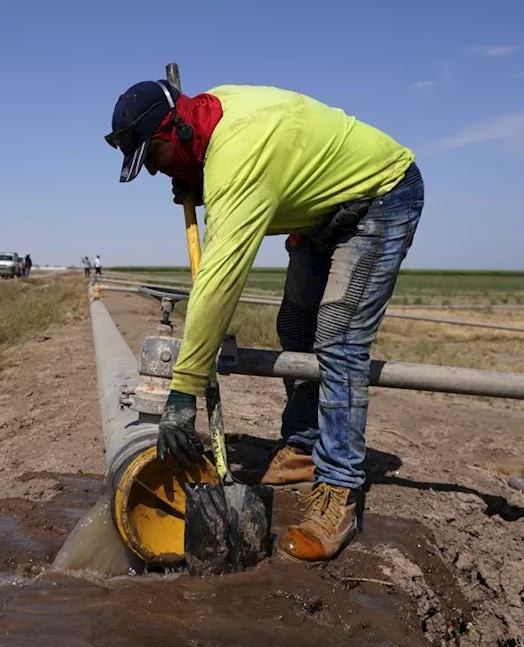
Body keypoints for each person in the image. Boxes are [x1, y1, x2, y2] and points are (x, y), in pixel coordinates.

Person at [106, 79, 423, 562]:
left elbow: (219, 280)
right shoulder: (208, 121)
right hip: (318, 215)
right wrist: (195, 178)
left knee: (338, 338)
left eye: (154, 154)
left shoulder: (237, 154)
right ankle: (302, 448)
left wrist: (184, 389)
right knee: (296, 330)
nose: (152, 170)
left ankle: (338, 491)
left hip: (379, 195)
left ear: (178, 130)